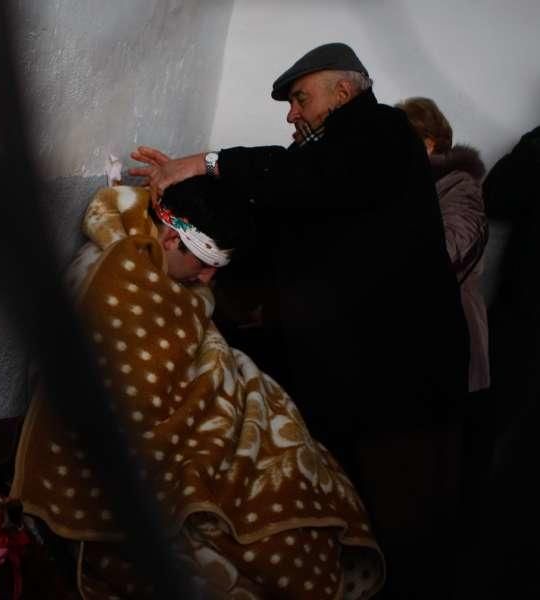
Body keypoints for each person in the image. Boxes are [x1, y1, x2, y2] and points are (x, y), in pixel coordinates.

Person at [129, 43, 469, 597]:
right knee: (357, 519)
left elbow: (303, 178)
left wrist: (205, 162)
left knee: (404, 529)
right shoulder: (330, 167)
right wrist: (192, 204)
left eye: (299, 98)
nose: (292, 113)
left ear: (344, 91)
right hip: (356, 385)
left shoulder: (382, 133)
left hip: (404, 389)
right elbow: (278, 225)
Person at [11, 178, 384, 599]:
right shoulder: (115, 281)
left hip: (217, 383)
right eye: (206, 262)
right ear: (171, 237)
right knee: (265, 527)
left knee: (296, 453)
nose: (208, 278)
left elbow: (191, 337)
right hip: (175, 432)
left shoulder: (160, 263)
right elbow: (133, 409)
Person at [397, 97, 489, 396]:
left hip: (451, 336)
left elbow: (449, 253)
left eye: (401, 141)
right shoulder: (408, 188)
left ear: (429, 143)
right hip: (420, 336)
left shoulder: (458, 185)